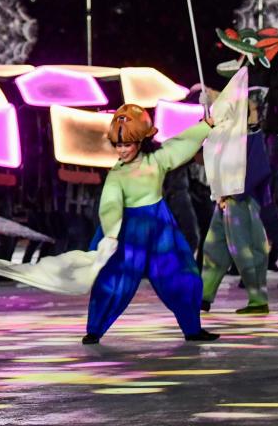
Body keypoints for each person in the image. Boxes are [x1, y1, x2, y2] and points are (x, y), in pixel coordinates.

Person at [83, 105, 219, 345]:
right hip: (129, 232)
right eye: (118, 145)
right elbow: (110, 205)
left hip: (160, 228)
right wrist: (111, 235)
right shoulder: (117, 175)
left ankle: (192, 328)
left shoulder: (156, 161)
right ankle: (95, 329)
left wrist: (205, 126)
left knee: (181, 273)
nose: (122, 150)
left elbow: (181, 145)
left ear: (142, 141)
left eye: (127, 144)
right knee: (114, 279)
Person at [200, 130, 271, 314]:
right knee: (215, 246)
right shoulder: (226, 133)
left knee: (246, 250)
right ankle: (203, 296)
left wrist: (233, 191)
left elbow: (258, 168)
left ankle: (258, 300)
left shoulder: (253, 136)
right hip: (225, 195)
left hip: (242, 198)